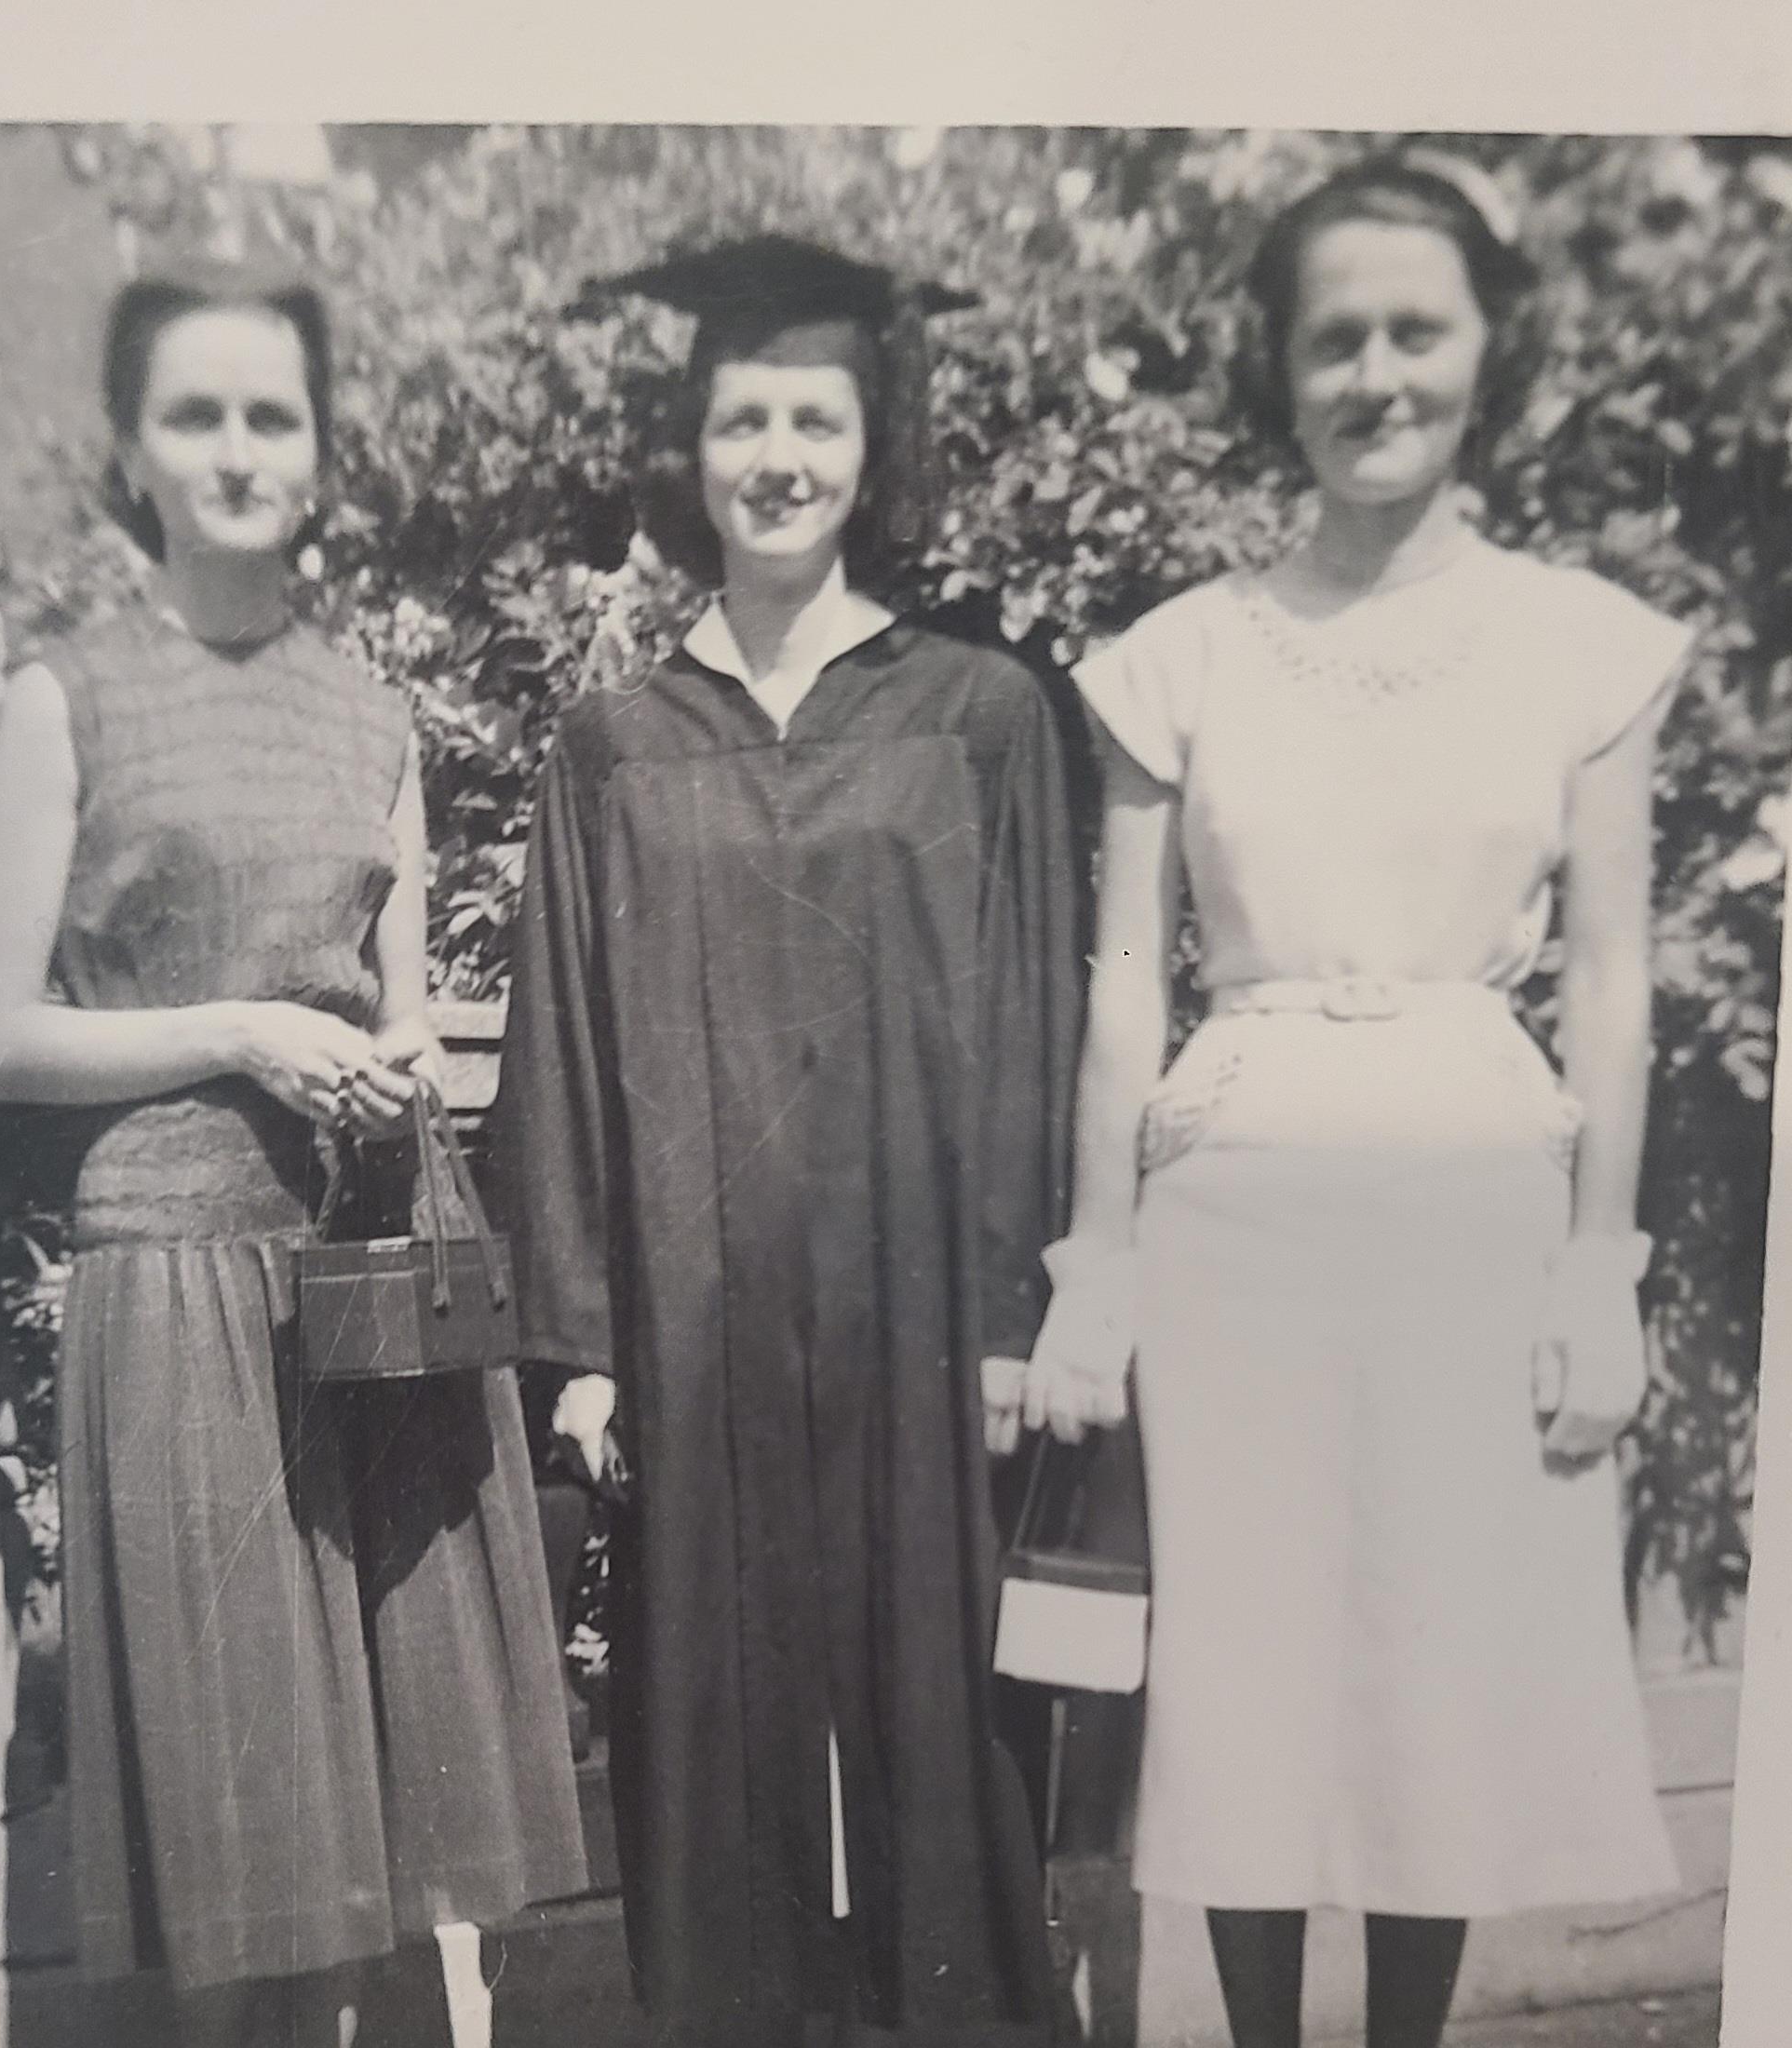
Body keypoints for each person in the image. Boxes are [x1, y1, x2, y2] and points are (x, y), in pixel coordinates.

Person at [1017, 157, 1691, 2048]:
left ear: (1489, 345)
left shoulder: (1582, 643)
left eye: (1415, 328)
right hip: (1235, 1218)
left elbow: (1615, 977)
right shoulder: (1181, 653)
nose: (1373, 372)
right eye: (1333, 337)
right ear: (1276, 368)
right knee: (1237, 1691)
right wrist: (1099, 1256)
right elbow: (1126, 977)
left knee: (1426, 1684)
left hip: (1476, 1205)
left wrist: (1598, 1263)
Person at [0, 259, 586, 2048]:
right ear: (133, 453)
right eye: (195, 415)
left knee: (380, 1831)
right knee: (245, 1837)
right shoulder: (63, 703)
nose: (237, 451)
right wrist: (238, 1034)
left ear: (318, 450)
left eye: (270, 415)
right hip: (171, 1292)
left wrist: (387, 1071)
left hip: (367, 1297)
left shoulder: (373, 713)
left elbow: (399, 1014)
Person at [501, 235, 1083, 2047]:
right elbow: (567, 1038)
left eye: (810, 415)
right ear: (689, 448)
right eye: (739, 413)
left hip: (921, 1313)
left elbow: (1029, 1031)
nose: (773, 450)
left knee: (937, 1715)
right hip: (696, 1310)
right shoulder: (610, 743)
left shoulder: (976, 711)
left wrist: (1010, 1308)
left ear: (864, 444)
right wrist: (582, 1343)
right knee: (707, 1714)